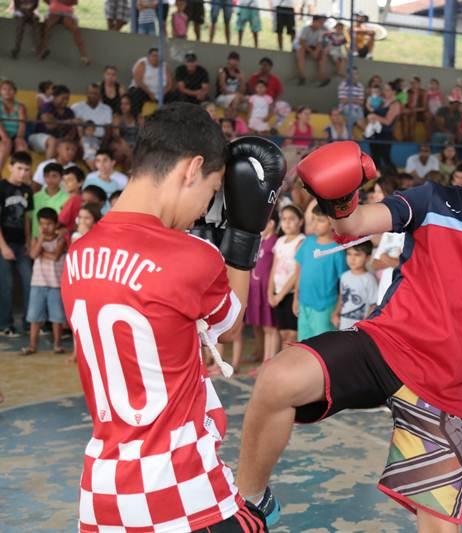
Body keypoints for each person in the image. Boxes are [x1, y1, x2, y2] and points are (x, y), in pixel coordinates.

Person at [234, 114, 462, 530]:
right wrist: (341, 197)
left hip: (439, 387)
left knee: (439, 526)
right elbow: (354, 224)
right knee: (276, 380)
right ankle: (250, 500)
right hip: (382, 346)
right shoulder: (430, 200)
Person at [60, 103, 285, 531]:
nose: (205, 209)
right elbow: (231, 323)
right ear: (191, 169)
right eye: (212, 188)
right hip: (183, 492)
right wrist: (246, 231)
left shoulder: (79, 255)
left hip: (102, 496)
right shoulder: (191, 257)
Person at [293, 204, 347, 341]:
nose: (315, 224)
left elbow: (344, 282)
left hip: (325, 308)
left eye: (321, 221)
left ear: (332, 224)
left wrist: (337, 310)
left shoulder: (337, 250)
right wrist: (295, 299)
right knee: (303, 344)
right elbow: (299, 272)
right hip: (303, 303)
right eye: (314, 219)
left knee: (321, 347)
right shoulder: (307, 242)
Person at [21, 207, 66, 355]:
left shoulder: (60, 239)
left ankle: (57, 345)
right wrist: (40, 240)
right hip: (38, 283)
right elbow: (33, 254)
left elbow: (56, 257)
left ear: (56, 224)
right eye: (42, 224)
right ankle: (32, 345)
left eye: (49, 224)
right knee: (34, 316)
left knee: (57, 317)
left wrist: (42, 252)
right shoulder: (36, 238)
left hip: (56, 284)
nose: (45, 227)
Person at [0, 151, 34, 337]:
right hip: (4, 242)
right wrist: (3, 246)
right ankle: (5, 323)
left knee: (29, 280)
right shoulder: (1, 187)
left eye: (26, 169)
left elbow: (27, 219)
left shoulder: (27, 190)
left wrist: (29, 241)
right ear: (10, 166)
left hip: (21, 243)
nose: (22, 173)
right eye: (19, 168)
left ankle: (30, 322)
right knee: (6, 284)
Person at [246, 211, 280, 374]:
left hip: (267, 288)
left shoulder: (274, 242)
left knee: (270, 327)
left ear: (271, 224)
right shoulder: (260, 240)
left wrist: (272, 289)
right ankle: (264, 358)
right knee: (261, 326)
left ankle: (269, 362)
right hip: (256, 289)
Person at [269, 204, 305, 349]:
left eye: (291, 219)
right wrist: (270, 293)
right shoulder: (279, 241)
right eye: (284, 219)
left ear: (300, 221)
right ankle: (285, 365)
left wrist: (281, 295)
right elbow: (274, 268)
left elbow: (298, 272)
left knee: (292, 334)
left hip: (290, 294)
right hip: (277, 294)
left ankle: (292, 367)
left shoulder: (301, 241)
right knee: (283, 333)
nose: (287, 222)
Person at [332, 240, 378, 330]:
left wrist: (366, 323)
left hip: (360, 327)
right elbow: (342, 297)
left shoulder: (369, 279)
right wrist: (335, 313)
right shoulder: (344, 276)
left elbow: (374, 305)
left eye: (357, 255)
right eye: (349, 254)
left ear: (368, 258)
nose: (352, 259)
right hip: (343, 323)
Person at [29, 85, 77, 159]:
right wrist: (69, 121)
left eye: (67, 99)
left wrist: (63, 139)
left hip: (59, 139)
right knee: (53, 141)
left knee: (70, 146)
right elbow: (49, 125)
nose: (66, 101)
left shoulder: (69, 111)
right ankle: (48, 167)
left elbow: (72, 133)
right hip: (38, 138)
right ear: (55, 97)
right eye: (63, 98)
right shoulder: (46, 106)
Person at [367, 81, 403, 176]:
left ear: (393, 91)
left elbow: (388, 121)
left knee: (385, 159)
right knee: (375, 159)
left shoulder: (395, 104)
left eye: (387, 90)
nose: (385, 92)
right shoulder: (383, 102)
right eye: (384, 89)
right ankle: (377, 182)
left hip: (385, 135)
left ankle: (395, 179)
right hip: (376, 134)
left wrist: (375, 116)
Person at [37, 0, 89, 65]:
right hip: (62, 13)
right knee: (75, 30)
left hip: (57, 12)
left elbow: (75, 2)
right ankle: (83, 56)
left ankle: (44, 48)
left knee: (46, 27)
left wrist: (54, 2)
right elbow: (75, 2)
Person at [128, 48, 174, 115]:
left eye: (157, 56)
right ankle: (137, 117)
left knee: (174, 95)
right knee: (136, 93)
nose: (155, 58)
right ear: (149, 56)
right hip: (144, 90)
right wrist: (150, 93)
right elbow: (138, 80)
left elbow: (169, 84)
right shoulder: (143, 63)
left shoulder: (165, 66)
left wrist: (163, 93)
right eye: (153, 55)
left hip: (160, 93)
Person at [32, 162, 68, 239]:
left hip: (57, 241)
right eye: (47, 176)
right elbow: (28, 220)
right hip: (36, 239)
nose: (50, 179)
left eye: (54, 176)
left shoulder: (67, 199)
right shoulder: (35, 197)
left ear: (61, 178)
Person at [0, 80, 29, 173]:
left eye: (10, 89)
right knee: (6, 143)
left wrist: (19, 137)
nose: (7, 91)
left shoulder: (20, 107)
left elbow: (22, 123)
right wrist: (4, 137)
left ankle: (19, 176)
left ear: (15, 91)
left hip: (14, 136)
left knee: (21, 147)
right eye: (4, 89)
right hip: (1, 134)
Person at [294, 15, 329, 86]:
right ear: (314, 22)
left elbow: (319, 43)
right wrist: (311, 52)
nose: (321, 24)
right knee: (301, 51)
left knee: (323, 52)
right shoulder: (306, 29)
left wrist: (316, 52)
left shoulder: (321, 31)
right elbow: (302, 42)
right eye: (320, 22)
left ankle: (321, 75)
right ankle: (301, 75)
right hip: (303, 46)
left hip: (313, 47)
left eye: (322, 23)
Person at [58, 167, 84, 241]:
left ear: (80, 182)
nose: (65, 183)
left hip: (69, 240)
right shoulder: (79, 199)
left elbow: (61, 221)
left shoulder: (74, 200)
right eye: (64, 180)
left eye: (70, 180)